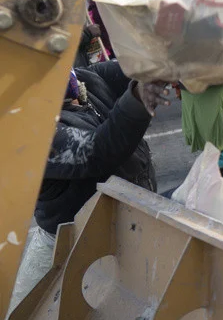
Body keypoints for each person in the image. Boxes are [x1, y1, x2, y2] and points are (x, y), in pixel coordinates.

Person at [36, 63, 169, 235]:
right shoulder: (30, 132)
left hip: (135, 216)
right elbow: (100, 150)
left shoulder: (84, 77)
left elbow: (135, 66)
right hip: (78, 243)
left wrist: (167, 59)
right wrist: (141, 95)